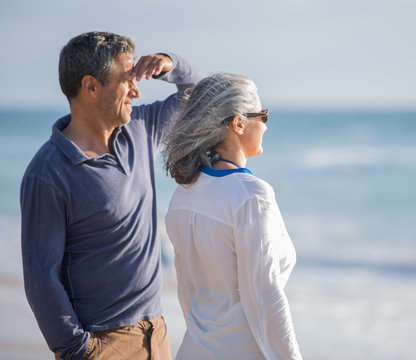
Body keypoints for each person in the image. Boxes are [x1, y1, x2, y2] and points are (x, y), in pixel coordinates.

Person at [20, 31, 203, 360]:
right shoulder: (47, 173)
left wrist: (171, 65)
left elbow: (201, 97)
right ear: (90, 87)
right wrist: (78, 350)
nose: (137, 90)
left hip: (156, 333)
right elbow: (40, 276)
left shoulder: (141, 129)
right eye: (126, 80)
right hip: (101, 344)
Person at [162, 73, 303, 360]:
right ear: (239, 123)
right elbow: (265, 294)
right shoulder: (252, 195)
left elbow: (186, 287)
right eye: (262, 115)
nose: (265, 125)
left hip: (194, 349)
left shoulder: (183, 194)